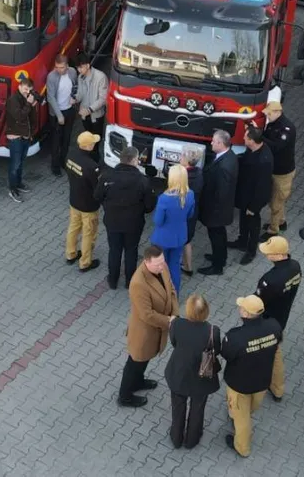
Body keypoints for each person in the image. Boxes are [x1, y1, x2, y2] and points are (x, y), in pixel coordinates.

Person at [220, 295, 282, 458]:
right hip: (262, 381)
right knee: (251, 408)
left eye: (242, 308)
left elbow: (226, 354)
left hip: (239, 385)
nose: (239, 309)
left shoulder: (235, 337)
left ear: (246, 314)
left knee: (242, 419)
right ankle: (240, 416)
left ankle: (242, 447)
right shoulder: (274, 327)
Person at [118, 246, 178, 408]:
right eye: (157, 264)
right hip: (144, 332)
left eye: (162, 262)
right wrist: (169, 321)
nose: (162, 267)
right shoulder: (138, 283)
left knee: (144, 359)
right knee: (135, 362)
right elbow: (147, 314)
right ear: (146, 262)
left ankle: (138, 382)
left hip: (156, 328)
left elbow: (171, 289)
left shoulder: (161, 267)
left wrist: (175, 312)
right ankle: (125, 396)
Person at [165, 293, 221, 449]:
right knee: (197, 408)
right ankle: (192, 439)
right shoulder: (212, 331)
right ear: (206, 311)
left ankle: (176, 437)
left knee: (178, 407)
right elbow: (217, 350)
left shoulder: (177, 324)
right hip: (201, 377)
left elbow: (174, 342)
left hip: (179, 374)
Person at [97, 146, 155, 289]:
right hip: (134, 224)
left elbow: (97, 196)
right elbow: (149, 206)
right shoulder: (143, 181)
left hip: (112, 222)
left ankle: (113, 280)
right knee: (131, 251)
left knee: (114, 250)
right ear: (134, 160)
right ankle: (130, 281)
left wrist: (109, 206)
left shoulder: (106, 176)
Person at [254, 235, 301, 402]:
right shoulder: (296, 266)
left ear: (280, 255)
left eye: (270, 253)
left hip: (267, 320)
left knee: (274, 354)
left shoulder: (270, 280)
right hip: (282, 317)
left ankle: (277, 387)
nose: (267, 255)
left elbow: (258, 302)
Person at [229, 126, 273, 265]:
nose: (243, 138)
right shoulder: (253, 150)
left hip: (254, 199)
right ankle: (242, 241)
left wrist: (254, 207)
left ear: (252, 141)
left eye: (246, 137)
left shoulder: (264, 160)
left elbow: (262, 187)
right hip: (246, 195)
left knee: (253, 222)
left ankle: (251, 250)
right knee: (243, 218)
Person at [197, 130, 239, 276]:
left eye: (214, 141)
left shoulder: (224, 166)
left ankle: (217, 266)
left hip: (216, 211)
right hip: (219, 210)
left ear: (221, 143)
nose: (211, 143)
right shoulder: (228, 156)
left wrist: (211, 209)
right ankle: (220, 257)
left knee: (216, 236)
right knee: (219, 235)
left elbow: (222, 192)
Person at [151, 164, 196, 292]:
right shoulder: (190, 195)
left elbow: (158, 221)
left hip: (163, 239)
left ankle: (161, 294)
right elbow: (190, 214)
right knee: (174, 265)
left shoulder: (164, 198)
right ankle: (174, 293)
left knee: (160, 267)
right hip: (179, 237)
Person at [64, 132, 102, 272]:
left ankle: (71, 254)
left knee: (73, 228)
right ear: (88, 146)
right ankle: (85, 262)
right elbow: (97, 188)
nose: (94, 144)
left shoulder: (70, 155)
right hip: (88, 205)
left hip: (74, 200)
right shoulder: (92, 166)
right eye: (93, 142)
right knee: (88, 233)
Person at [260, 101, 296, 239]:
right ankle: (281, 221)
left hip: (283, 173)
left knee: (276, 203)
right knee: (275, 200)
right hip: (275, 169)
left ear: (277, 112)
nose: (267, 117)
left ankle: (273, 230)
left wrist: (260, 138)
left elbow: (276, 147)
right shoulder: (273, 124)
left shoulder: (287, 129)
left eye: (269, 114)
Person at [6, 77, 38, 203]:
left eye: (29, 90)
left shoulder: (27, 98)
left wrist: (32, 105)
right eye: (25, 89)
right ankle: (12, 189)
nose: (27, 93)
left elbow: (31, 118)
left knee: (21, 163)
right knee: (15, 165)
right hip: (16, 138)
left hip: (25, 136)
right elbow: (19, 116)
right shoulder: (13, 100)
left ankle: (18, 184)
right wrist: (29, 104)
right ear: (20, 86)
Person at [45, 54, 78, 176]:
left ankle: (63, 161)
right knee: (56, 141)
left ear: (67, 66)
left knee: (67, 139)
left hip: (69, 110)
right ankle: (55, 166)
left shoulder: (72, 72)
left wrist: (74, 98)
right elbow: (51, 97)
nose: (59, 70)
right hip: (56, 113)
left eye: (62, 67)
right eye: (57, 67)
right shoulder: (51, 77)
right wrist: (59, 115)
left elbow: (75, 86)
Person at [75, 53, 108, 155]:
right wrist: (75, 99)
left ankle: (95, 160)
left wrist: (89, 110)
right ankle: (89, 159)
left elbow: (103, 98)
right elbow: (80, 93)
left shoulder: (101, 77)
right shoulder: (80, 77)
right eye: (77, 68)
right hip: (85, 115)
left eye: (81, 67)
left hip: (96, 115)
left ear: (88, 65)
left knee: (96, 140)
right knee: (88, 139)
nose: (79, 70)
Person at [180, 146, 204, 277]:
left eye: (182, 156)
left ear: (186, 160)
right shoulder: (199, 173)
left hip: (183, 213)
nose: (180, 158)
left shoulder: (183, 176)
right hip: (193, 212)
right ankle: (188, 266)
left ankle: (178, 264)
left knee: (180, 241)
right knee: (187, 240)